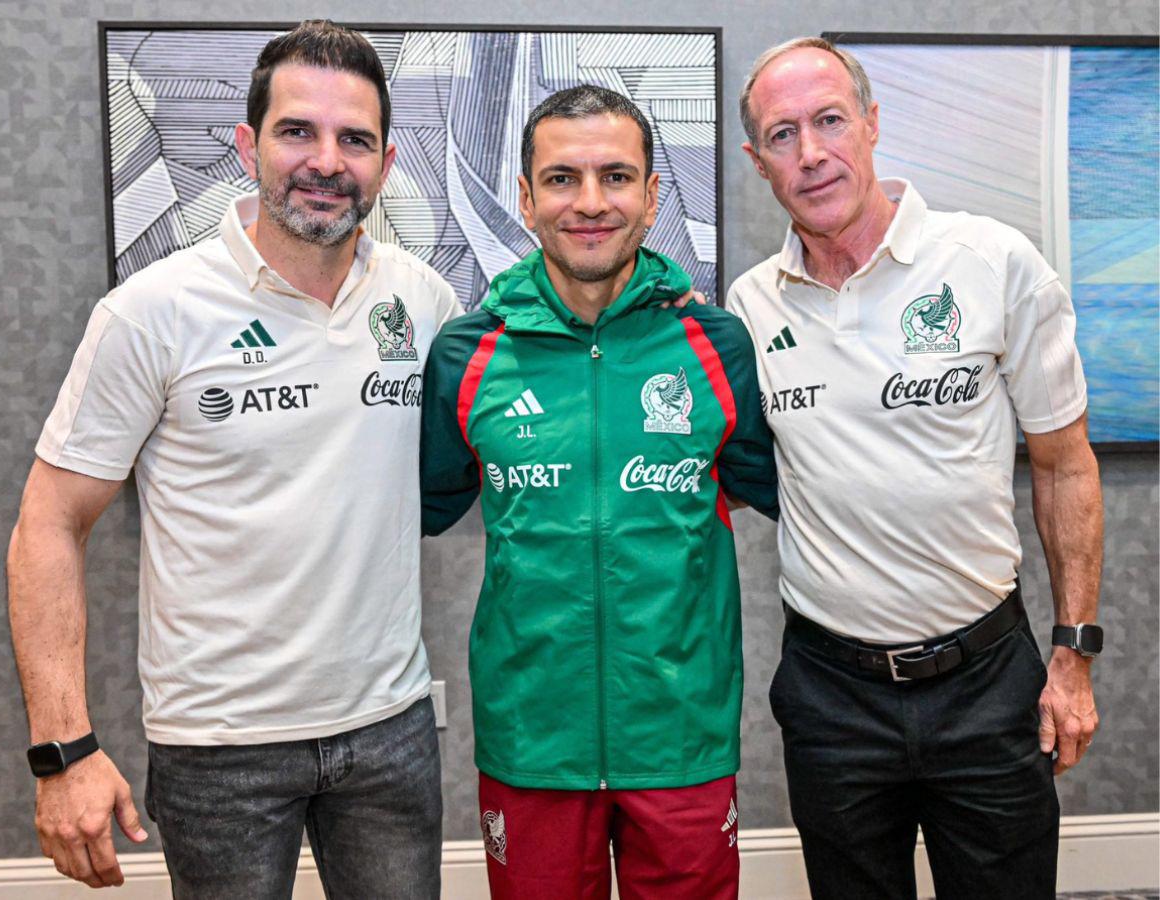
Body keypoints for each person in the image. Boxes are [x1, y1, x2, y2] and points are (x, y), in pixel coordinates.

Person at [7, 20, 459, 897]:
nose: (327, 160)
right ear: (249, 144)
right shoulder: (151, 311)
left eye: (354, 139)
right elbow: (47, 525)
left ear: (386, 162)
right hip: (219, 750)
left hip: (392, 731)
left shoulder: (422, 298)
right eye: (299, 131)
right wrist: (62, 751)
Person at [727, 37, 1104, 900]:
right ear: (757, 162)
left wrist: (1073, 654)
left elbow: (1064, 465)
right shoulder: (750, 308)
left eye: (829, 120)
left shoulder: (993, 263)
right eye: (782, 136)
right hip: (830, 697)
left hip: (988, 681)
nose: (812, 153)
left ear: (871, 122)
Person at [420, 84, 779, 900]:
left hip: (682, 732)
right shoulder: (466, 354)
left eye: (616, 177)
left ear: (653, 196)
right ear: (525, 197)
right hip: (532, 737)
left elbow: (788, 486)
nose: (589, 203)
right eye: (561, 179)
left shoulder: (717, 344)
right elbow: (411, 503)